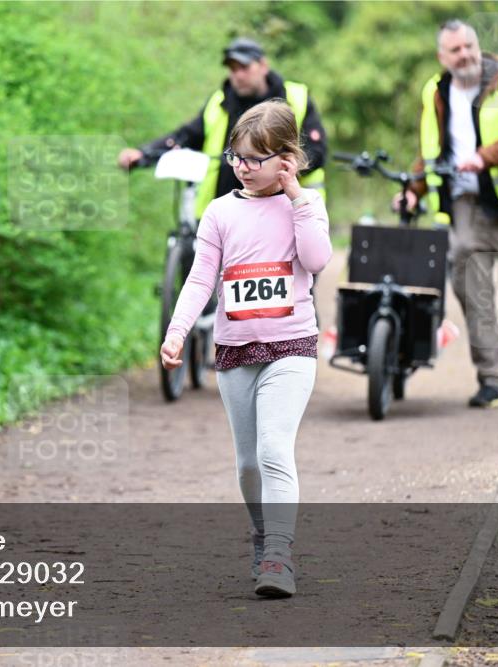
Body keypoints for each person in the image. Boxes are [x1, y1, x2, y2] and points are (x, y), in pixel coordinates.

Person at [160, 100, 332, 597]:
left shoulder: (307, 203)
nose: (243, 166)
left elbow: (316, 259)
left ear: (287, 159)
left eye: (256, 158)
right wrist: (177, 331)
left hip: (291, 345)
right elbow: (200, 279)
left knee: (274, 449)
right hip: (235, 350)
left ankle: (278, 555)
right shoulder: (220, 212)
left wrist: (297, 197)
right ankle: (261, 535)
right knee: (248, 464)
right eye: (236, 156)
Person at [397, 19, 498, 408]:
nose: (465, 55)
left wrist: (485, 157)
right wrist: (412, 190)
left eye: (469, 46)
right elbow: (431, 151)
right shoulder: (436, 91)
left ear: (478, 46)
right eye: (455, 50)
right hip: (465, 206)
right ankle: (489, 378)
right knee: (474, 295)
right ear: (442, 56)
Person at [118, 37, 328, 217]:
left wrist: (274, 171)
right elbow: (185, 137)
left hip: (283, 211)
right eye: (233, 69)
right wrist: (143, 154)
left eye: (244, 67)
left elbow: (316, 152)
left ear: (263, 65)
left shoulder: (297, 98)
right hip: (223, 212)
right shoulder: (219, 102)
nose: (238, 75)